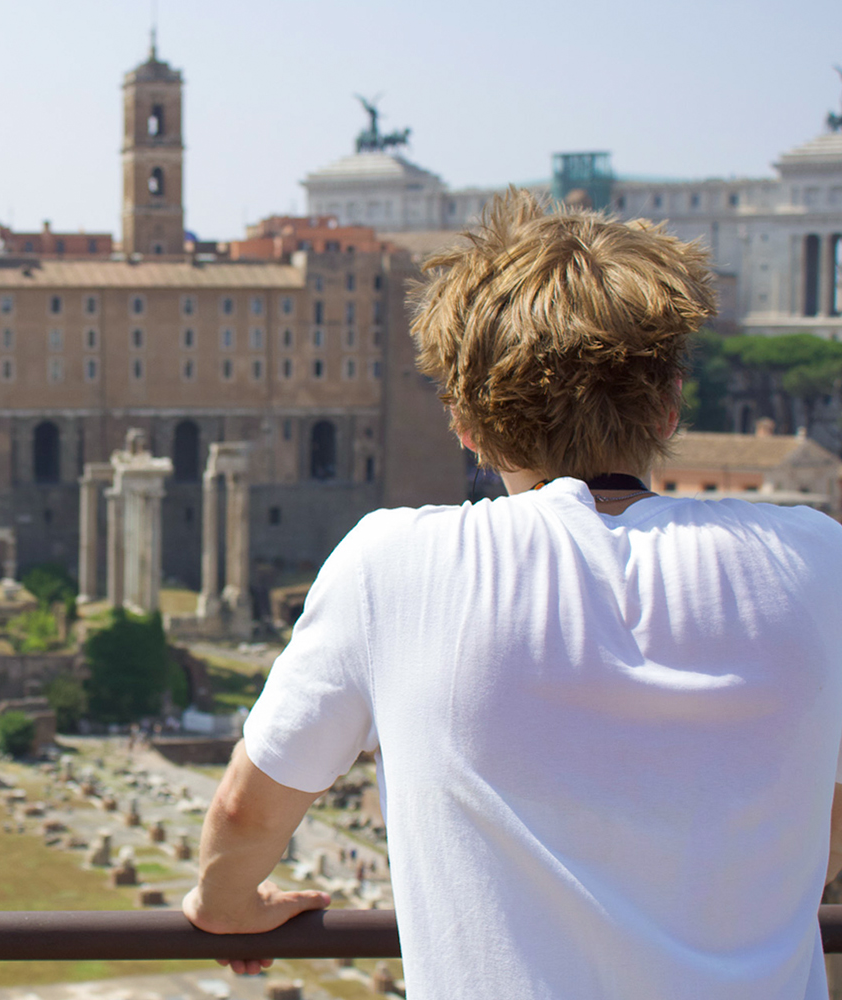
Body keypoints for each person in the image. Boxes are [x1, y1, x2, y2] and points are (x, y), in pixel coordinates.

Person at [182, 191, 842, 999]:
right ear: (671, 404)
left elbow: (250, 813)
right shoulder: (816, 560)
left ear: (464, 421)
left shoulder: (394, 565)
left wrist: (226, 904)